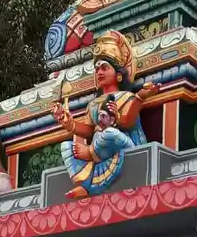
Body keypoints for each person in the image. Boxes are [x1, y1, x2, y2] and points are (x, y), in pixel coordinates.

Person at [51, 30, 160, 199]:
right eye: (96, 69)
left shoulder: (126, 97)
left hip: (123, 146)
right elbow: (88, 130)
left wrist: (139, 97)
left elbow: (129, 122)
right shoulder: (93, 104)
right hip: (101, 150)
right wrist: (69, 123)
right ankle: (83, 184)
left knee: (108, 133)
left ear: (118, 75)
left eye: (104, 68)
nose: (99, 72)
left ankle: (90, 157)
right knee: (66, 147)